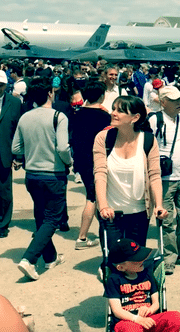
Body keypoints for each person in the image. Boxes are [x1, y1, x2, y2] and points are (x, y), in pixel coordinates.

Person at [12, 77, 72, 280]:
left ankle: (50, 257)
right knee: (52, 218)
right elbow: (63, 147)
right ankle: (29, 258)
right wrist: (68, 161)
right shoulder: (58, 116)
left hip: (32, 175)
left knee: (41, 215)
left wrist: (30, 153)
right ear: (49, 93)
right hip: (53, 174)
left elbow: (16, 148)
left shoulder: (25, 117)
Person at [93, 96, 167, 258]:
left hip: (139, 212)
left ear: (135, 117)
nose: (113, 113)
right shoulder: (103, 138)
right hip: (112, 213)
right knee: (113, 259)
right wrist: (103, 206)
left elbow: (154, 175)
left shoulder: (148, 140)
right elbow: (99, 173)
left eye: (120, 110)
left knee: (135, 261)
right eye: (113, 109)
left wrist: (159, 205)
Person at [148, 86, 180, 275]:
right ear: (163, 102)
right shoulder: (154, 120)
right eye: (175, 100)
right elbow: (147, 149)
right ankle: (169, 257)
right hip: (163, 180)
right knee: (167, 221)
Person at [104, 238, 180, 332]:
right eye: (136, 260)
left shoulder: (147, 273)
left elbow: (156, 303)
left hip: (150, 318)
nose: (142, 260)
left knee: (175, 317)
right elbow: (117, 310)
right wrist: (136, 319)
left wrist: (150, 310)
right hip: (127, 321)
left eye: (141, 257)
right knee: (131, 329)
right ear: (121, 267)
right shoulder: (114, 279)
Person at [69, 80, 111, 250]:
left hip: (81, 160)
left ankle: (102, 229)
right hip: (97, 161)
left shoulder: (77, 114)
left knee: (93, 195)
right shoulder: (104, 117)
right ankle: (82, 237)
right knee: (93, 198)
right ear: (102, 96)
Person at [0, 70, 21, 238]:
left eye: (0, 85)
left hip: (4, 153)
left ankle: (3, 223)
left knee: (5, 191)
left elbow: (17, 131)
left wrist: (18, 155)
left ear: (6, 85)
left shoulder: (14, 103)